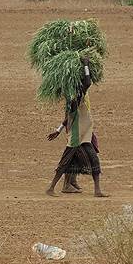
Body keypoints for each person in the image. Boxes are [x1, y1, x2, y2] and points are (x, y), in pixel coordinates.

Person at [45, 56, 108, 197]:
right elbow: (87, 82)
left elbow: (67, 118)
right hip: (76, 136)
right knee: (65, 162)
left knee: (93, 159)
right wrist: (86, 65)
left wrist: (58, 130)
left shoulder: (74, 98)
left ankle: (97, 190)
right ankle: (51, 188)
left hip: (85, 134)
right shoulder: (75, 99)